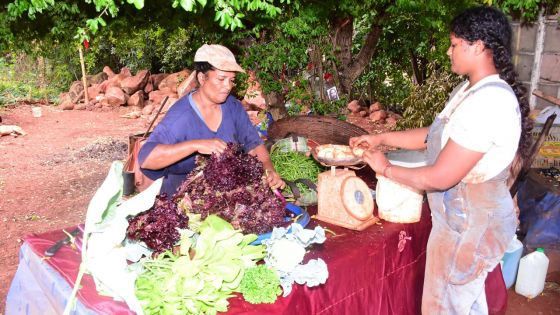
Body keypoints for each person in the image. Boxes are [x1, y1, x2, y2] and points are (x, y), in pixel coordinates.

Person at [350, 6, 532, 314]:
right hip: (459, 221)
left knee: (443, 307)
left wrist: (385, 168)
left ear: (478, 46)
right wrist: (381, 139)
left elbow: (440, 177)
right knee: (465, 305)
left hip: (470, 229)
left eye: (454, 44)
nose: (448, 51)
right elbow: (434, 135)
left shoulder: (490, 102)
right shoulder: (471, 90)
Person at [139, 44, 285, 196]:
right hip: (182, 196)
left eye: (231, 80)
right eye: (221, 79)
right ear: (202, 78)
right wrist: (196, 144)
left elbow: (254, 145)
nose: (228, 86)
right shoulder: (181, 116)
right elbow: (147, 158)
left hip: (224, 195)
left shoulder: (233, 107)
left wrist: (269, 170)